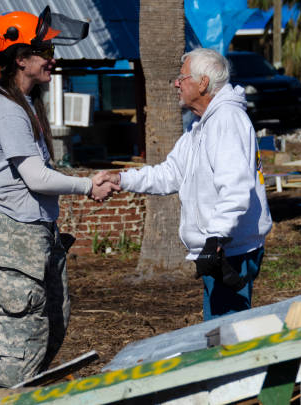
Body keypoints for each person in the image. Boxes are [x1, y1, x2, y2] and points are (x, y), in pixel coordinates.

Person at [0, 7, 119, 387]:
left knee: (53, 322)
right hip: (13, 236)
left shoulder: (26, 104)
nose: (52, 59)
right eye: (44, 52)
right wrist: (88, 186)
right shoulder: (6, 110)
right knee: (23, 341)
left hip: (37, 234)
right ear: (21, 60)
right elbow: (36, 177)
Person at [97, 48, 272, 321]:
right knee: (220, 329)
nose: (176, 83)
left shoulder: (226, 121)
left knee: (227, 333)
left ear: (203, 83)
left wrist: (216, 238)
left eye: (182, 77)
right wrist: (121, 179)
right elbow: (168, 173)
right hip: (221, 247)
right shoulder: (201, 126)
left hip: (229, 250)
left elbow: (236, 188)